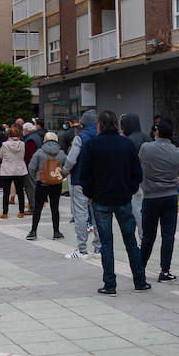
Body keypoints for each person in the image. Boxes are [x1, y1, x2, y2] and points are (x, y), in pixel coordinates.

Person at [78, 110, 147, 295]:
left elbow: (84, 175)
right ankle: (139, 281)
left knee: (106, 243)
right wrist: (129, 189)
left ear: (99, 125)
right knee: (130, 241)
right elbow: (137, 173)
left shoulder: (92, 145)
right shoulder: (127, 144)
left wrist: (91, 194)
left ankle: (110, 284)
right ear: (116, 124)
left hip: (101, 199)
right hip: (123, 198)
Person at [138, 121, 179, 284]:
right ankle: (165, 270)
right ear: (172, 134)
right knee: (168, 234)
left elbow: (140, 166)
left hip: (150, 196)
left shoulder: (145, 148)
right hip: (170, 195)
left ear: (156, 132)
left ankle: (140, 267)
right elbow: (177, 172)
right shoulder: (178, 153)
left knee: (148, 234)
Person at [63, 110, 100, 260]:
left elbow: (71, 160)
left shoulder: (80, 138)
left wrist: (64, 171)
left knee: (80, 215)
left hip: (80, 181)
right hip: (98, 182)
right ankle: (99, 249)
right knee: (98, 215)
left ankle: (82, 250)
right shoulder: (100, 137)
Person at [26, 132, 67, 241]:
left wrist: (37, 176)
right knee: (55, 208)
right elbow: (67, 167)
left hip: (42, 183)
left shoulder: (39, 152)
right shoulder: (61, 153)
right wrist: (61, 175)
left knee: (38, 207)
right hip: (56, 183)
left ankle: (33, 231)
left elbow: (31, 167)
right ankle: (56, 232)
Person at [120, 114, 150, 238]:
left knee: (136, 210)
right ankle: (146, 234)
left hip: (134, 181)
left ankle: (142, 236)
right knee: (145, 209)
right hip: (149, 180)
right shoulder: (147, 137)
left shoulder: (127, 141)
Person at [0, 126, 28, 218]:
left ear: (9, 134)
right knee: (20, 192)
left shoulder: (4, 144)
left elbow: (1, 155)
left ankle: (5, 213)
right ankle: (21, 212)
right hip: (19, 170)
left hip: (7, 171)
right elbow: (23, 154)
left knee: (6, 193)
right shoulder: (22, 144)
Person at [21, 121, 41, 209]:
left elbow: (29, 155)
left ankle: (33, 206)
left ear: (26, 130)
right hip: (35, 165)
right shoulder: (36, 136)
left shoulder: (30, 140)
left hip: (31, 166)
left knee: (31, 187)